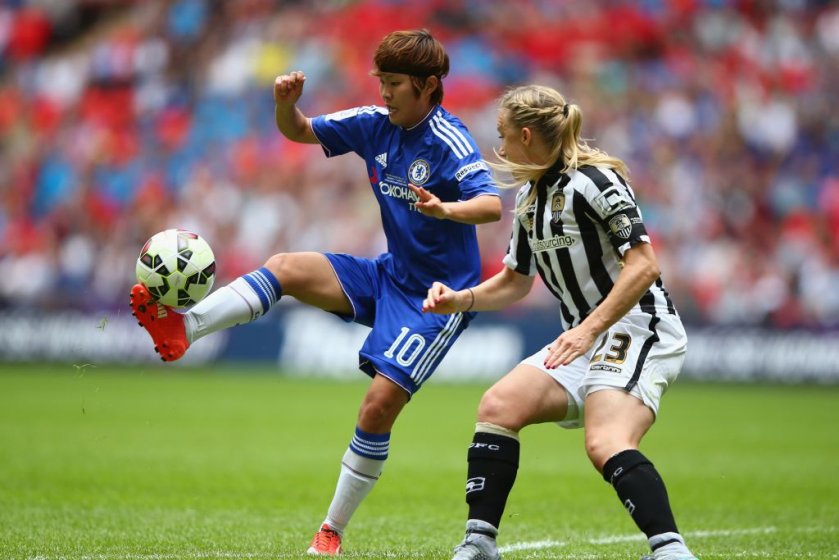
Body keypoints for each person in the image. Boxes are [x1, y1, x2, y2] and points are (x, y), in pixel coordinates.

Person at [129, 29, 501, 556]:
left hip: (438, 299)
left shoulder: (449, 140)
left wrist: (444, 208)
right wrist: (286, 106)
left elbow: (489, 205)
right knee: (286, 268)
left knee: (376, 409)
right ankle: (183, 328)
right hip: (389, 274)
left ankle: (331, 531)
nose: (385, 92)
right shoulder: (376, 125)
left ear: (427, 85)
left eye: (394, 83)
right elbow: (299, 131)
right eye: (382, 82)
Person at [422, 84, 697, 560]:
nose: (500, 147)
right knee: (499, 406)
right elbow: (515, 281)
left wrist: (588, 329)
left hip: (638, 327)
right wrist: (460, 299)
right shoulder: (530, 198)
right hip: (583, 338)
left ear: (527, 135)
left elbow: (644, 264)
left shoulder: (594, 180)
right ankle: (480, 543)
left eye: (504, 135)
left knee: (605, 440)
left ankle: (671, 551)